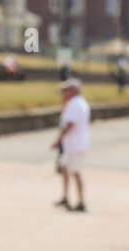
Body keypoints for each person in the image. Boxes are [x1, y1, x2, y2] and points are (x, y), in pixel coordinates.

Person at [52, 78, 90, 212]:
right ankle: (66, 197)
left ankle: (81, 202)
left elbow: (69, 125)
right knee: (64, 167)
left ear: (72, 91)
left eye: (65, 91)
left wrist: (58, 140)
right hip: (75, 144)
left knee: (75, 172)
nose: (63, 93)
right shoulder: (78, 103)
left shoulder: (75, 104)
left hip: (74, 145)